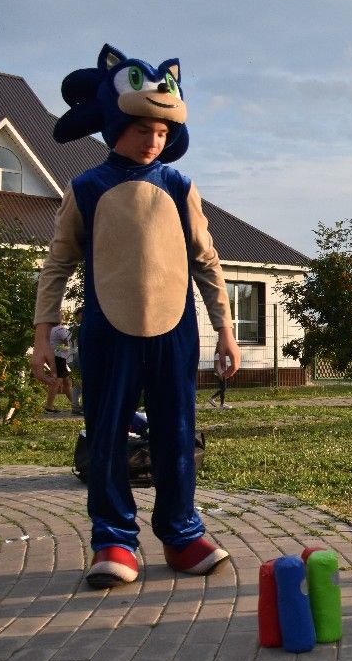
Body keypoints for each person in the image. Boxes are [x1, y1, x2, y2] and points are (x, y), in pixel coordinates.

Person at [31, 44, 239, 589]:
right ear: (116, 123)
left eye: (163, 133)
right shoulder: (87, 188)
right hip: (107, 331)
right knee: (106, 436)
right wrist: (41, 336)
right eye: (143, 129)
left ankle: (181, 533)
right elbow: (56, 265)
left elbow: (207, 260)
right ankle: (113, 540)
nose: (154, 140)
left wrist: (225, 329)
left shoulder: (179, 186)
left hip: (175, 331)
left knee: (176, 434)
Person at [44, 320, 75, 413]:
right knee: (57, 382)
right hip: (59, 358)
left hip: (53, 357)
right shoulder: (61, 329)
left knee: (66, 382)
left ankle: (75, 404)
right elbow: (68, 344)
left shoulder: (50, 329)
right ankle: (49, 406)